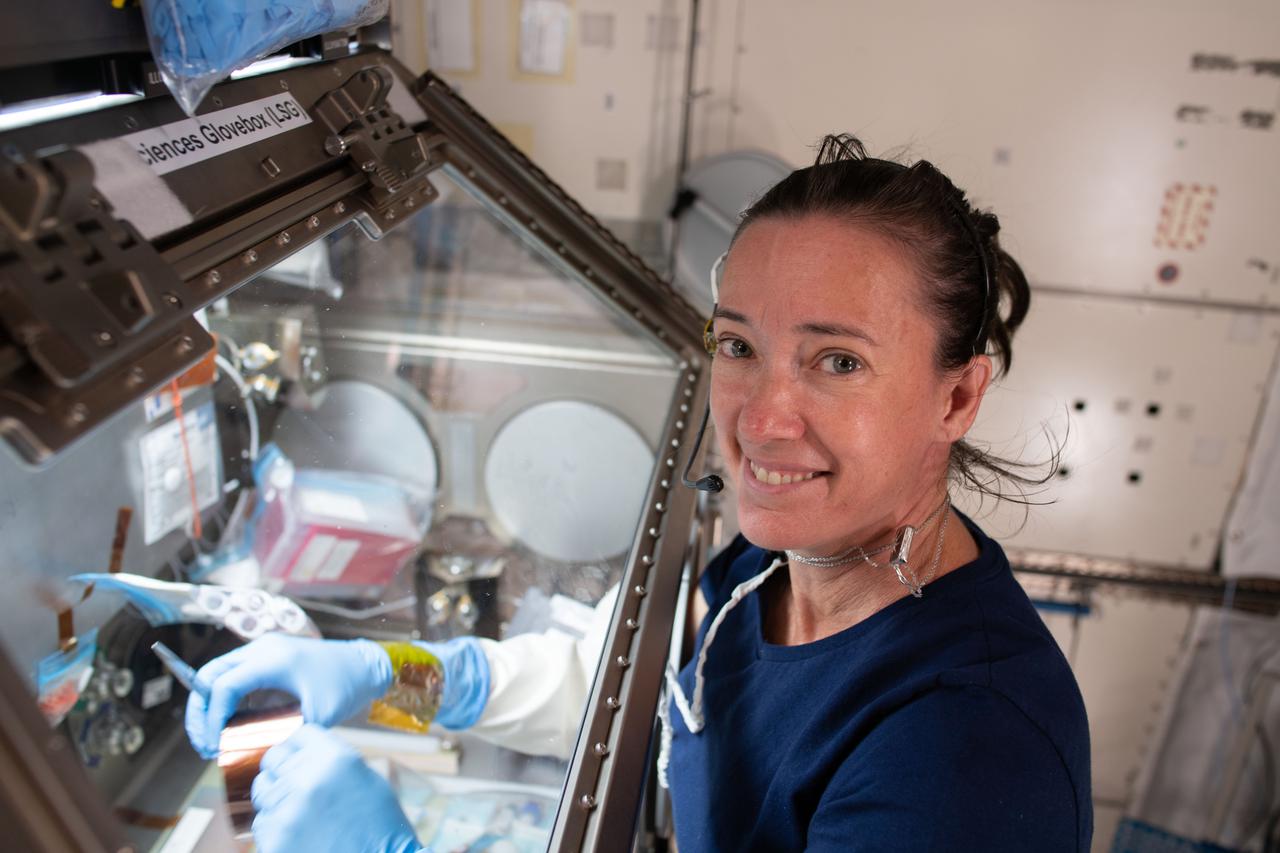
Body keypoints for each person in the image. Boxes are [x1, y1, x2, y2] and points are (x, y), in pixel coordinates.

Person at [186, 133, 1091, 852]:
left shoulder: (967, 751)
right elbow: (610, 693)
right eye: (738, 346)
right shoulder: (768, 568)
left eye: (838, 361)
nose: (760, 419)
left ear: (956, 397)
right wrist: (395, 680)